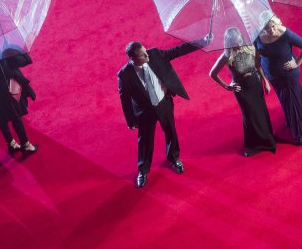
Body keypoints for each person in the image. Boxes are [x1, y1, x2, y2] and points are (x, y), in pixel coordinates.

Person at [118, 39, 205, 188]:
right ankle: (143, 170)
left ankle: (174, 158)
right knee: (145, 140)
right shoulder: (124, 75)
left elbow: (179, 50)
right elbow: (124, 99)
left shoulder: (155, 54)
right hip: (144, 112)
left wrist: (203, 41)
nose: (147, 56)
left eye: (146, 52)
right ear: (133, 58)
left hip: (164, 103)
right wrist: (130, 120)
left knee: (171, 131)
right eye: (143, 55)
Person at [254, 15, 302, 146]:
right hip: (272, 76)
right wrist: (264, 79)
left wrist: (297, 63)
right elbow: (256, 58)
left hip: (288, 74)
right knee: (286, 97)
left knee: (291, 100)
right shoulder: (256, 36)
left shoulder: (285, 34)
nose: (271, 30)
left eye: (273, 26)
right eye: (267, 28)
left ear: (276, 23)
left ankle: (300, 132)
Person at [209, 27, 276, 156]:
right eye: (236, 44)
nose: (239, 45)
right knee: (250, 117)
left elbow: (257, 65)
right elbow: (212, 73)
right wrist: (227, 86)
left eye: (240, 41)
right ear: (229, 43)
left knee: (262, 112)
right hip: (242, 90)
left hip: (255, 84)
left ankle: (268, 140)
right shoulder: (226, 56)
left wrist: (265, 81)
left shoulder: (250, 47)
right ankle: (253, 146)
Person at [0, 54, 38, 157]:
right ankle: (26, 144)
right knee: (15, 115)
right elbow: (19, 62)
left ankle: (11, 143)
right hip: (6, 86)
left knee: (0, 117)